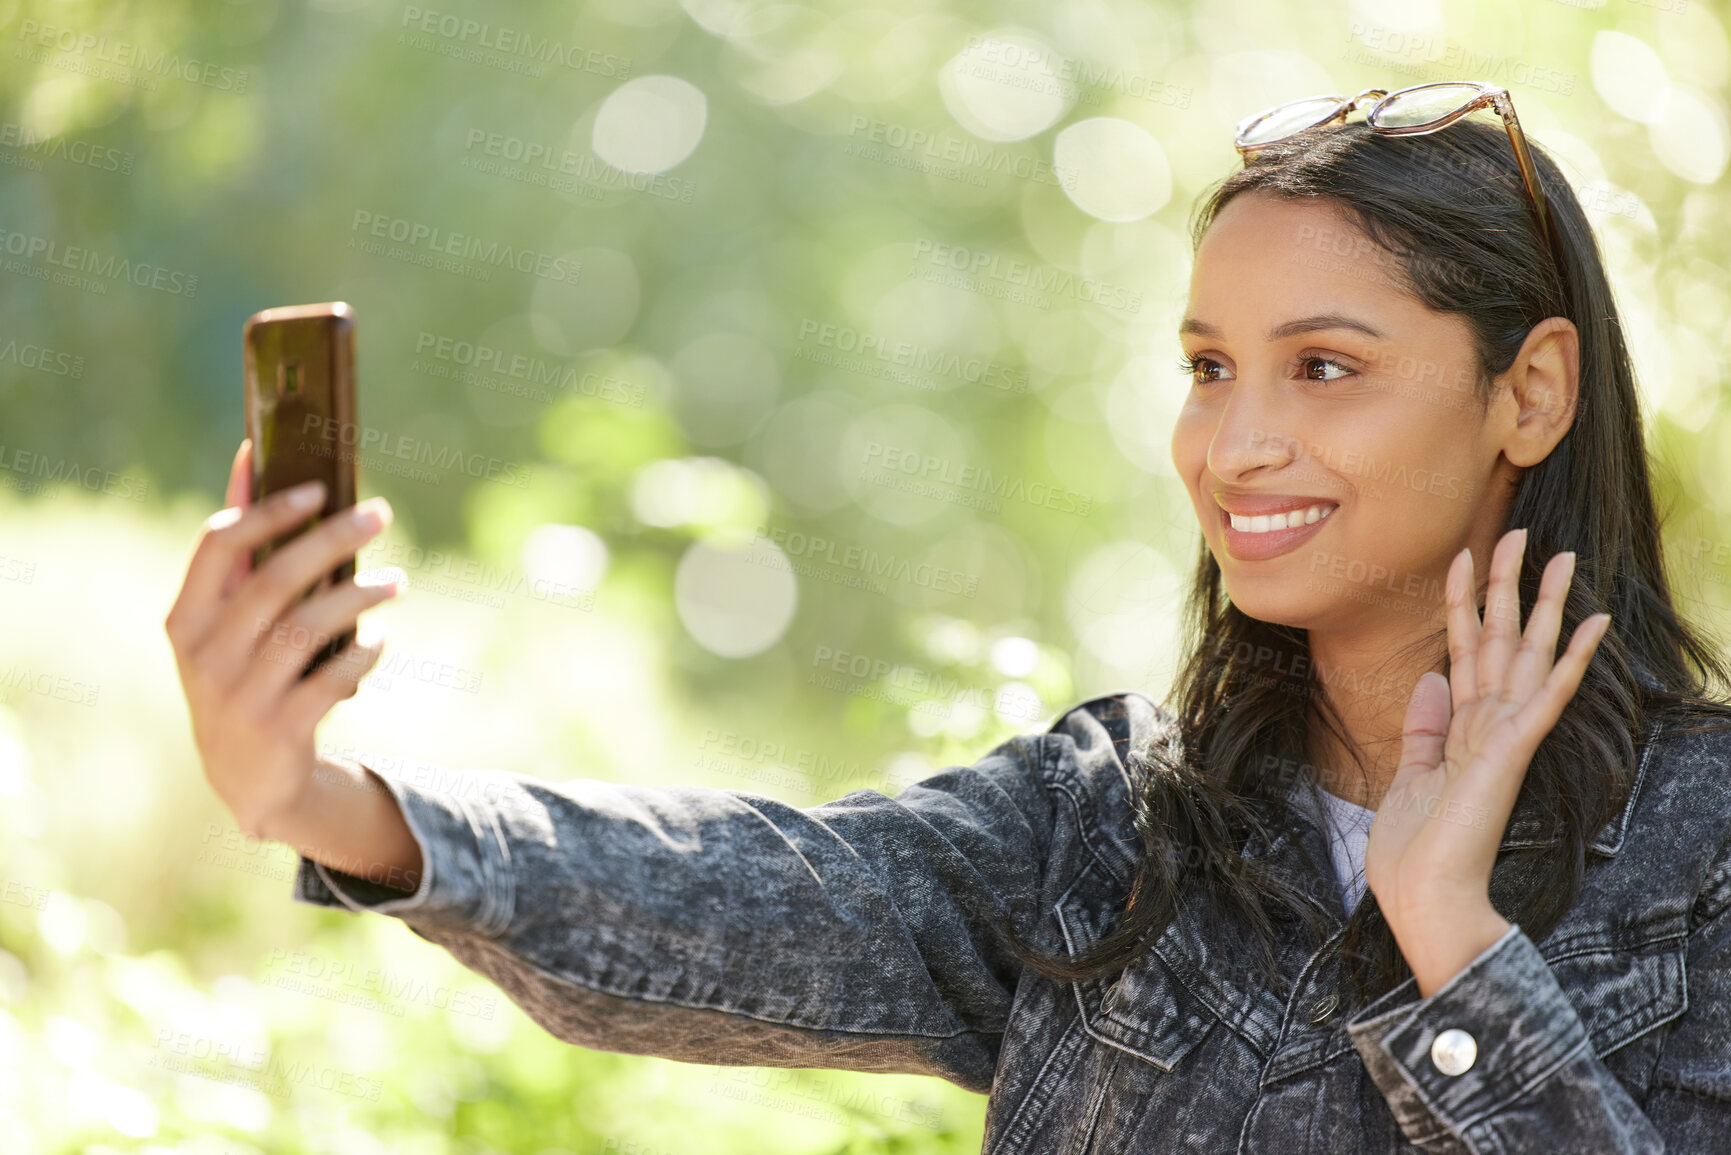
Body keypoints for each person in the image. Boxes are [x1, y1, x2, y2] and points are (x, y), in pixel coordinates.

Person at [165, 86, 1731, 1152]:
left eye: (1323, 367)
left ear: (1528, 391)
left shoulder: (1705, 848)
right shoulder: (1106, 826)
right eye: (1206, 366)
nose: (1233, 443)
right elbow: (739, 900)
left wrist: (1450, 940)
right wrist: (331, 805)